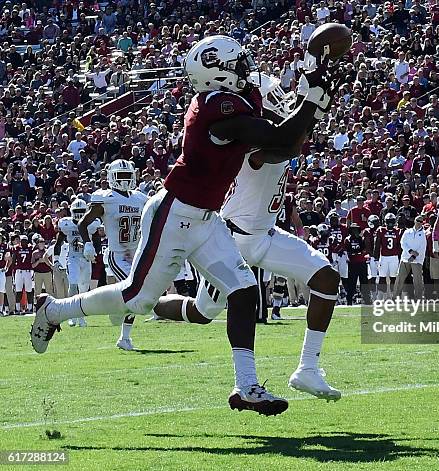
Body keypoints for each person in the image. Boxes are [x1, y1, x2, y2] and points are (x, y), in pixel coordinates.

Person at [31, 36, 336, 417]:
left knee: (243, 291)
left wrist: (313, 76)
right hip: (175, 214)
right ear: (219, 71)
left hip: (207, 218)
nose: (246, 69)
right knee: (136, 299)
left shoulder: (230, 101)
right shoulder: (216, 107)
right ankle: (55, 310)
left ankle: (247, 387)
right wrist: (312, 99)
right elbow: (280, 138)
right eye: (239, 64)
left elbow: (280, 126)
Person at [154, 74, 341, 400]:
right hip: (234, 242)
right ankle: (150, 304)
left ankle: (308, 369)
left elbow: (295, 134)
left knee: (326, 279)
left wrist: (317, 88)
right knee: (201, 314)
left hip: (265, 235)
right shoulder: (254, 138)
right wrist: (311, 104)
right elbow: (284, 147)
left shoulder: (274, 128)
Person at [77, 159, 149, 351]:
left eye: (128, 176)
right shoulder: (106, 198)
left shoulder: (140, 198)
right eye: (121, 176)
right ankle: (123, 335)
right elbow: (83, 223)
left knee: (136, 294)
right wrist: (87, 244)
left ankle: (117, 312)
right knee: (136, 291)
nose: (125, 180)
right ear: (111, 177)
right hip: (117, 254)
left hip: (136, 253)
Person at [55, 199, 101, 327]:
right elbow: (58, 243)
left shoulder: (92, 224)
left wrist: (96, 253)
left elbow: (97, 241)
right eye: (77, 211)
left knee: (84, 289)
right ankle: (71, 315)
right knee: (73, 284)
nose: (80, 214)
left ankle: (81, 317)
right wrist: (56, 260)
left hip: (86, 260)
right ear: (72, 211)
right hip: (73, 258)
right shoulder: (66, 224)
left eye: (82, 211)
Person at [394, 215, 426, 298]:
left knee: (417, 280)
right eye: (417, 220)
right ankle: (395, 297)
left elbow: (422, 248)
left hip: (417, 260)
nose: (419, 223)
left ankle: (418, 298)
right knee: (400, 278)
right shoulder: (407, 232)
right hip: (405, 258)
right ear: (414, 221)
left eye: (421, 221)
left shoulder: (423, 234)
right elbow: (403, 243)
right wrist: (410, 251)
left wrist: (414, 257)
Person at [374, 213, 401, 297]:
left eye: (391, 221)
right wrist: (376, 257)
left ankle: (394, 296)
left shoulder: (397, 231)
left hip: (394, 257)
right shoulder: (381, 230)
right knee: (382, 277)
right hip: (384, 257)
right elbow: (377, 244)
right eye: (389, 221)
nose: (390, 223)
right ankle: (382, 296)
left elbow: (399, 246)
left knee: (393, 277)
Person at [345, 223, 371, 305]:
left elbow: (364, 250)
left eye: (356, 229)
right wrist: (356, 253)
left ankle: (367, 300)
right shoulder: (347, 239)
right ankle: (349, 300)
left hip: (362, 263)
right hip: (352, 264)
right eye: (353, 229)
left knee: (364, 282)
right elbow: (348, 251)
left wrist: (357, 253)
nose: (355, 231)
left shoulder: (361, 239)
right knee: (352, 283)